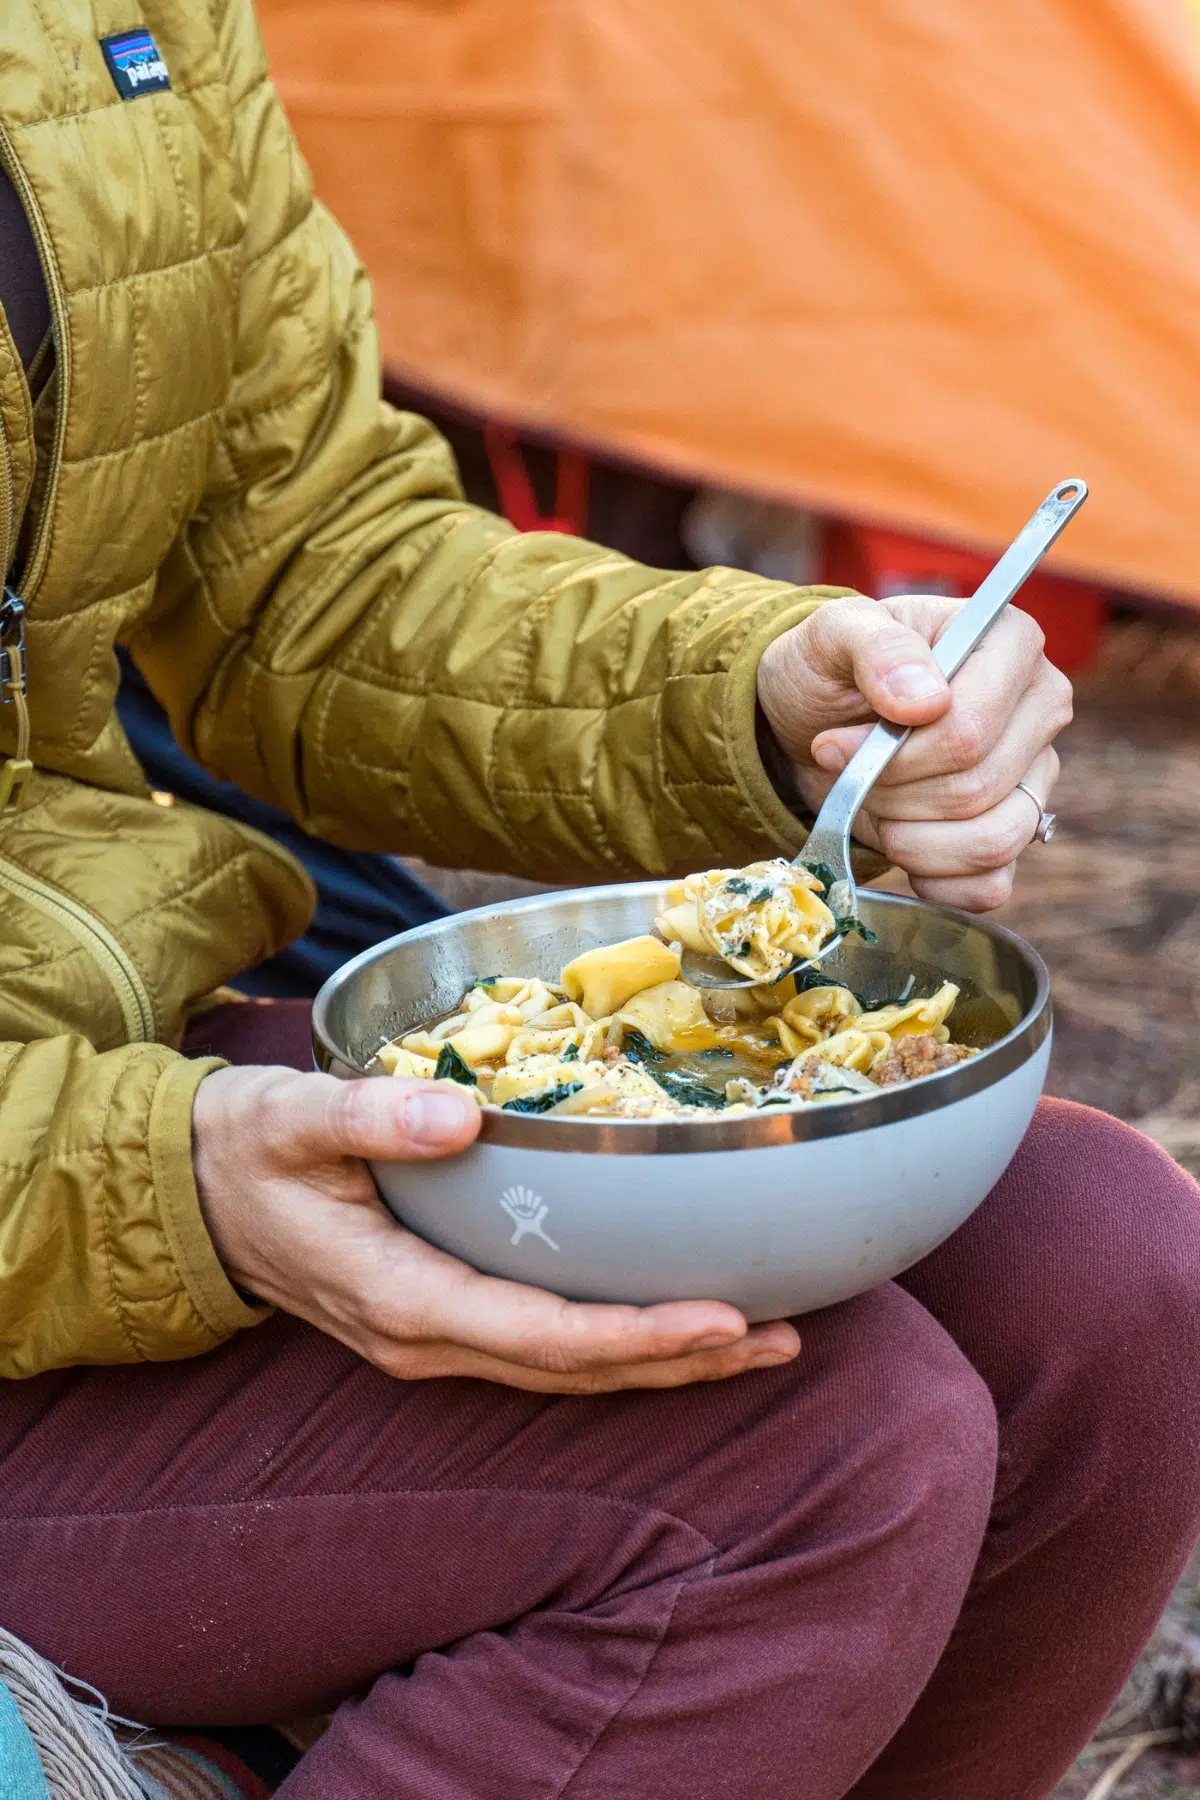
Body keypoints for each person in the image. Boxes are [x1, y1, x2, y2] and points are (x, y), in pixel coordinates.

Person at [0, 7, 1198, 1797]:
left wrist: (763, 697)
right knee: (816, 1464)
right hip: (56, 1175)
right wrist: (152, 1186)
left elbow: (306, 572)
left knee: (1106, 1280)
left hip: (93, 1049)